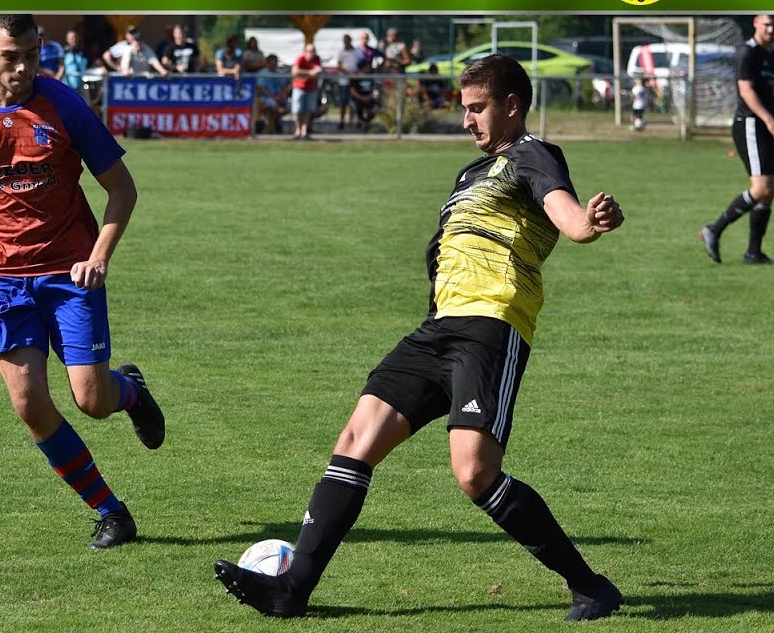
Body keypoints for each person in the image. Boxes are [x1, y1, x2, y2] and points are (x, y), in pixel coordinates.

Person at [212, 53, 626, 623]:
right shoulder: (469, 174)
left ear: (512, 106)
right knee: (356, 438)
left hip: (491, 324)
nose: (467, 121)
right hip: (438, 328)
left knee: (474, 473)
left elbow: (568, 216)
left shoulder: (532, 154)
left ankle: (590, 586)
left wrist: (589, 223)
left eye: (478, 109)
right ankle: (292, 589)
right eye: (464, 109)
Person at [0, 14, 165, 550]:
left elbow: (122, 190)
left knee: (91, 400)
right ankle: (112, 512)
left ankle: (129, 393)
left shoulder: (65, 106)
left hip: (69, 274)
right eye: (11, 56)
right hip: (2, 278)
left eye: (32, 55)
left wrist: (99, 256)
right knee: (29, 405)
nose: (22, 67)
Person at [699, 14, 774, 266]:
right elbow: (746, 91)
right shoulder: (747, 52)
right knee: (762, 188)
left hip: (768, 125)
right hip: (751, 124)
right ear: (755, 22)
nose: (770, 28)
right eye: (766, 23)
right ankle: (714, 229)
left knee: (770, 190)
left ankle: (754, 253)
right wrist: (769, 121)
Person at [290, 42, 321, 140]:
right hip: (299, 88)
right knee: (297, 110)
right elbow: (295, 72)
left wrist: (303, 73)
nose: (312, 53)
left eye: (314, 51)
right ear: (305, 52)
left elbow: (318, 72)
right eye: (310, 51)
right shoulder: (300, 58)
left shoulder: (317, 59)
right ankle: (297, 130)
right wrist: (310, 73)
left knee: (308, 111)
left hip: (311, 89)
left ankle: (304, 131)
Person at [254, 54, 290, 134]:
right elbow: (262, 89)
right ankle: (271, 127)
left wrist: (283, 95)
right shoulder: (262, 73)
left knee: (290, 105)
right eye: (274, 62)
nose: (276, 64)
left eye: (276, 62)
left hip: (278, 97)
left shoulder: (278, 73)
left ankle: (275, 123)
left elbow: (283, 86)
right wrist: (274, 97)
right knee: (272, 103)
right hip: (266, 98)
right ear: (268, 62)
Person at [334, 34, 361, 130]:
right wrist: (348, 72)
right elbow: (338, 66)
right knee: (343, 102)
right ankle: (342, 121)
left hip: (354, 81)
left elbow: (362, 63)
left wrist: (357, 72)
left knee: (354, 102)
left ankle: (354, 121)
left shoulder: (357, 52)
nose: (346, 43)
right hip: (344, 81)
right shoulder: (341, 52)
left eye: (347, 41)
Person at [348, 57, 380, 130]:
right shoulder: (355, 77)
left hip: (369, 98)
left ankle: (367, 121)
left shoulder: (371, 76)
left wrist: (369, 97)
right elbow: (352, 91)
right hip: (358, 98)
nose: (369, 68)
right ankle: (362, 122)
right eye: (367, 66)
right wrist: (362, 98)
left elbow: (374, 89)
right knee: (358, 106)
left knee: (376, 107)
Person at [62, 29, 88, 96]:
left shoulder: (82, 52)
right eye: (71, 38)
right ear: (67, 40)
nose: (74, 40)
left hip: (81, 85)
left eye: (75, 38)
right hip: (67, 85)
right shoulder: (63, 53)